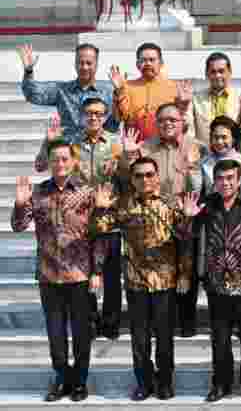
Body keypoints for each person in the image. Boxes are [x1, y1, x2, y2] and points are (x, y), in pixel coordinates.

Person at [91, 157, 202, 401]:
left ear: (157, 176)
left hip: (165, 280)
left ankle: (164, 381)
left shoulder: (170, 204)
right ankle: (143, 381)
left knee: (164, 336)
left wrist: (185, 274)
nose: (145, 180)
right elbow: (99, 229)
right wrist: (99, 209)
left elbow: (185, 241)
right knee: (139, 338)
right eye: (139, 176)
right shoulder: (123, 205)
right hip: (136, 280)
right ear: (132, 180)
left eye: (149, 174)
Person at [11, 140, 101, 402]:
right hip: (49, 275)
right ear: (48, 163)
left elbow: (99, 234)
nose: (60, 164)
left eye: (64, 159)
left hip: (80, 274)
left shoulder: (87, 193)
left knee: (82, 333)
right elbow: (18, 226)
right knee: (56, 335)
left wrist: (97, 270)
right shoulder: (38, 193)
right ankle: (63, 378)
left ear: (73, 162)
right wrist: (19, 204)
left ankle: (80, 381)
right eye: (55, 159)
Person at [119, 103, 206, 337]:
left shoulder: (195, 147)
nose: (168, 124)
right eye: (162, 120)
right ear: (156, 124)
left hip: (185, 214)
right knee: (161, 270)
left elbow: (202, 184)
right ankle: (159, 322)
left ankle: (187, 322)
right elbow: (130, 179)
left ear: (182, 123)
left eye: (173, 120)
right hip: (153, 216)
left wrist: (193, 167)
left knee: (187, 265)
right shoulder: (145, 147)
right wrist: (128, 156)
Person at [194, 160, 241, 403]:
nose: (225, 183)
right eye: (220, 178)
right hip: (216, 283)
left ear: (239, 180)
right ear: (214, 181)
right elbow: (189, 236)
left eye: (230, 178)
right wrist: (188, 218)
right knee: (220, 338)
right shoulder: (206, 206)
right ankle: (221, 384)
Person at [49, 99, 125, 341]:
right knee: (84, 272)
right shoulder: (73, 145)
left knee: (111, 275)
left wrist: (123, 162)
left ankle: (111, 322)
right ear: (82, 116)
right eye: (89, 113)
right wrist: (50, 141)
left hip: (109, 218)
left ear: (105, 117)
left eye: (99, 114)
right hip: (80, 219)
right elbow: (53, 167)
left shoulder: (115, 143)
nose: (93, 118)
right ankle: (89, 320)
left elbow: (127, 177)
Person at [18, 42, 118, 139]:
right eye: (80, 63)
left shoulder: (108, 92)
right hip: (70, 149)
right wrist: (28, 71)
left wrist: (120, 93)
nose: (84, 67)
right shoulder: (62, 90)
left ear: (96, 64)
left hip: (97, 150)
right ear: (75, 64)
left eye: (89, 63)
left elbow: (113, 126)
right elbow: (32, 95)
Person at [110, 42, 188, 141]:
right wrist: (119, 91)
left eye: (152, 60)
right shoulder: (126, 87)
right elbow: (118, 118)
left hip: (165, 145)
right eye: (143, 60)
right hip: (135, 146)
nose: (148, 64)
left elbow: (182, 124)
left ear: (161, 63)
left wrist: (184, 106)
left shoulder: (174, 88)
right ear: (137, 64)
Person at [184, 52, 240, 144]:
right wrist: (183, 107)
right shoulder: (195, 99)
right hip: (204, 154)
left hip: (232, 155)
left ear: (230, 72)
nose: (217, 76)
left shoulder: (240, 98)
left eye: (221, 71)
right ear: (207, 74)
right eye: (213, 72)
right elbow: (189, 132)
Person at [199, 116, 241, 196]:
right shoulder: (204, 162)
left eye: (224, 137)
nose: (219, 142)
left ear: (233, 139)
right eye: (216, 137)